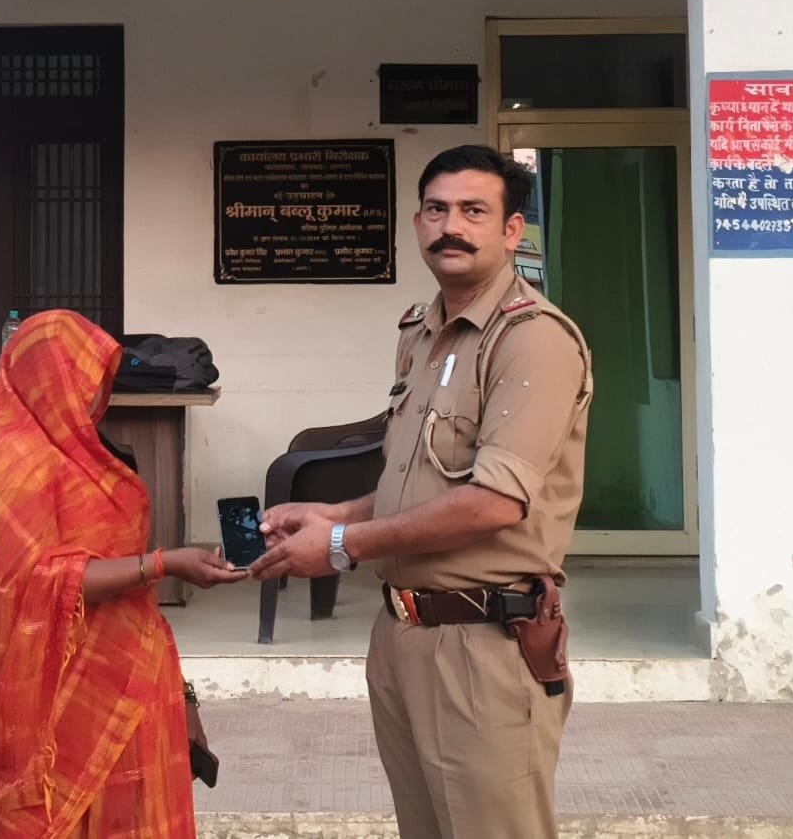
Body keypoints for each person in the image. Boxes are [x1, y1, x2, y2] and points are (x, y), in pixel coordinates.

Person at [251, 145, 593, 839]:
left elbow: (494, 501)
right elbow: (422, 481)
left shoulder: (533, 341)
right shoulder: (421, 333)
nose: (451, 226)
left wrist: (342, 545)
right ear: (416, 222)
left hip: (485, 642)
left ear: (511, 230)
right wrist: (335, 512)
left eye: (474, 210)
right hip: (403, 633)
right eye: (437, 209)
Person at [0, 308, 244, 838]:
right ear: (46, 381)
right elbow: (34, 584)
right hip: (46, 706)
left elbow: (138, 606)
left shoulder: (94, 458)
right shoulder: (8, 472)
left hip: (129, 683)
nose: (93, 398)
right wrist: (163, 563)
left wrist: (183, 696)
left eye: (100, 383)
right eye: (82, 381)